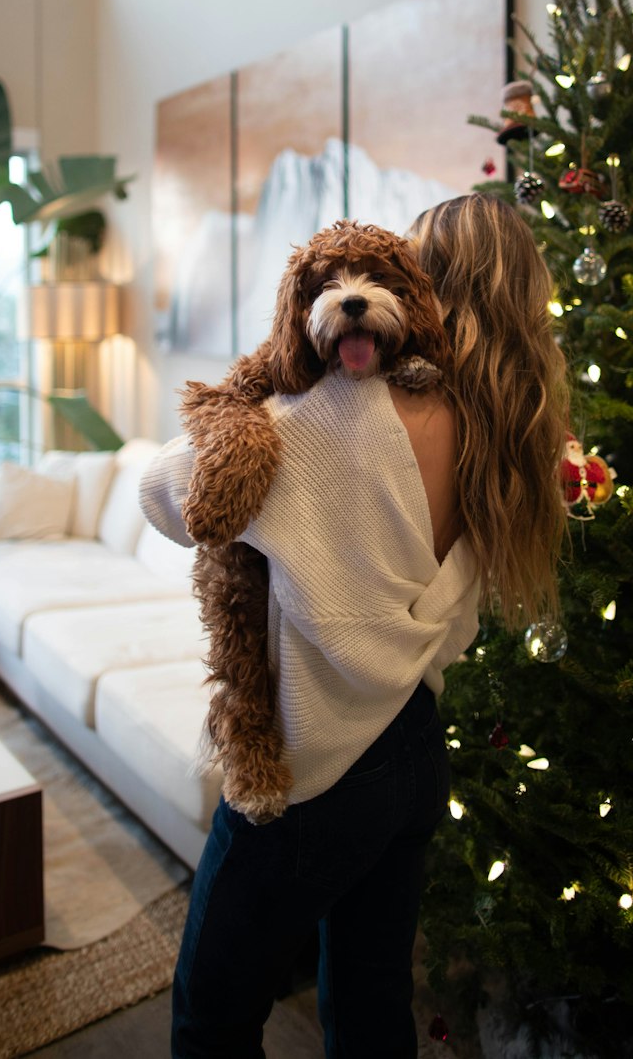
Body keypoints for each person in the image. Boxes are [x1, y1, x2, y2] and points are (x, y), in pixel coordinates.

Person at [138, 192, 569, 1059]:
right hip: (413, 747)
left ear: (424, 287)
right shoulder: (506, 430)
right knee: (370, 1006)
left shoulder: (338, 417)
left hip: (312, 763)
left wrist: (259, 387)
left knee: (212, 1012)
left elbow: (162, 491)